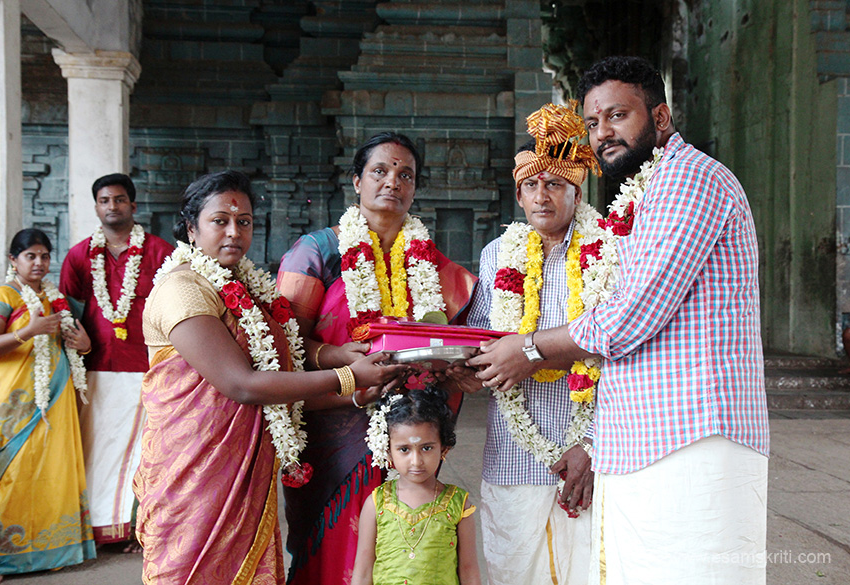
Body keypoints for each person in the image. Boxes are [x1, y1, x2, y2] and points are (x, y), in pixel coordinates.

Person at [469, 55, 770, 584]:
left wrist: (531, 348)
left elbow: (632, 312)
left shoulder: (688, 181)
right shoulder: (650, 191)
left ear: (660, 117)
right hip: (645, 440)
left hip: (692, 435)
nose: (603, 133)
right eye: (592, 122)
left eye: (617, 116)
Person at [133, 170, 407, 585]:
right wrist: (345, 376)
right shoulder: (182, 289)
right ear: (191, 228)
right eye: (219, 220)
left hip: (247, 468)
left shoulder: (250, 289)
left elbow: (282, 382)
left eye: (243, 222)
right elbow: (241, 384)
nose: (233, 232)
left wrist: (355, 394)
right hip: (195, 470)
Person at [277, 132, 477, 584]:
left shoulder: (437, 267)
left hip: (409, 429)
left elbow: (456, 343)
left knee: (405, 548)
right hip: (333, 428)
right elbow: (282, 344)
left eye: (405, 174)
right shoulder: (318, 253)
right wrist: (332, 355)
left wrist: (453, 367)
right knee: (328, 547)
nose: (393, 182)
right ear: (356, 181)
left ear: (415, 188)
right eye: (380, 171)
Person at [460, 102, 598, 584]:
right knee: (512, 570)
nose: (543, 195)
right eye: (531, 185)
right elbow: (482, 338)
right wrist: (459, 364)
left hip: (587, 450)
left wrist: (592, 447)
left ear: (577, 194)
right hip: (514, 452)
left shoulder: (610, 252)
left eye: (555, 184)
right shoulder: (498, 253)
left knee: (588, 570)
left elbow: (621, 350)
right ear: (519, 196)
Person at [59, 173, 173, 546]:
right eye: (105, 201)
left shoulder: (158, 251)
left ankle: (137, 529)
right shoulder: (79, 255)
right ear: (96, 207)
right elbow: (67, 311)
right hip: (97, 368)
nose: (112, 206)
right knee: (97, 447)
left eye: (119, 200)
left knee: (146, 450)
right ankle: (96, 530)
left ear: (133, 206)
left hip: (147, 368)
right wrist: (80, 342)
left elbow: (175, 308)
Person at [0, 228, 96, 581]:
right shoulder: (4, 294)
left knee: (53, 472)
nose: (39, 263)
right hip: (15, 402)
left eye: (45, 256)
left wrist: (84, 344)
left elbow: (74, 344)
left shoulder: (56, 298)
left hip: (57, 397)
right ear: (13, 260)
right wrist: (29, 330)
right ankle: (0, 560)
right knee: (14, 473)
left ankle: (50, 551)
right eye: (30, 256)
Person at [350, 386, 481, 585]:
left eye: (426, 448)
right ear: (387, 451)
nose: (416, 460)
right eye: (404, 449)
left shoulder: (458, 504)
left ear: (443, 448)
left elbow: (469, 570)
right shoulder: (377, 503)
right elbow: (363, 570)